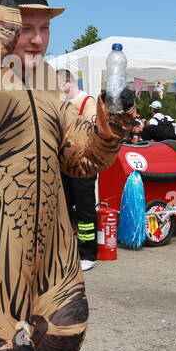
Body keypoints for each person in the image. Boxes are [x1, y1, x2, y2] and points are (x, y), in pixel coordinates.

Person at [58, 69, 99, 269]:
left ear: (68, 82)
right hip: (65, 164)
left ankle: (88, 254)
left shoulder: (87, 102)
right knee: (63, 208)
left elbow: (92, 134)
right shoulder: (64, 104)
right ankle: (67, 251)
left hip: (83, 166)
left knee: (85, 211)